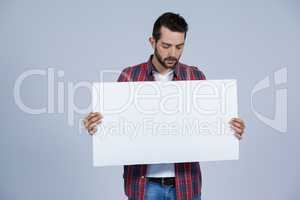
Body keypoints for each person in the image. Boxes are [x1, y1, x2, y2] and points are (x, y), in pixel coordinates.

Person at [83, 12, 245, 200]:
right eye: (166, 46)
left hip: (186, 185)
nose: (172, 54)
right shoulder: (130, 77)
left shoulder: (195, 77)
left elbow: (209, 126)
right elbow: (114, 127)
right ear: (152, 42)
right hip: (144, 186)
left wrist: (231, 129)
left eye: (179, 47)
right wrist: (96, 126)